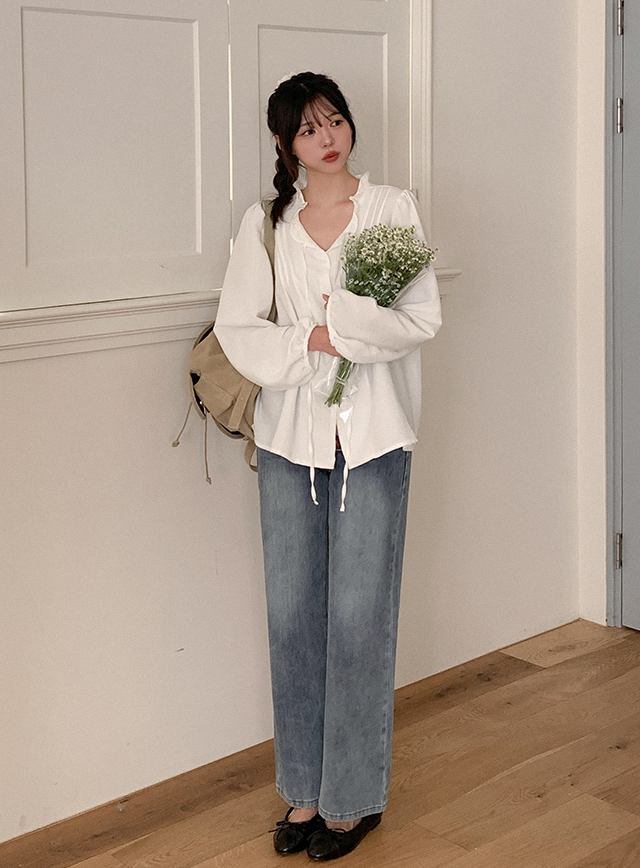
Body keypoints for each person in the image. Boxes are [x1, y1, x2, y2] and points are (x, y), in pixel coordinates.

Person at [214, 71, 441, 861]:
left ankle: (351, 800)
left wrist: (339, 322)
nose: (327, 137)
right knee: (292, 618)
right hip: (290, 444)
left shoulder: (391, 209)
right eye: (308, 129)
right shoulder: (266, 224)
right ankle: (304, 792)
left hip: (373, 440)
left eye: (334, 120)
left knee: (358, 620)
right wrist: (312, 341)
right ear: (287, 144)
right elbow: (239, 327)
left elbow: (420, 318)